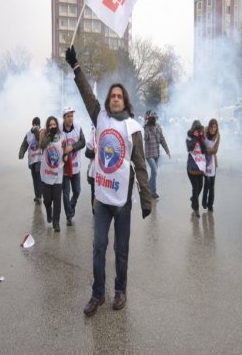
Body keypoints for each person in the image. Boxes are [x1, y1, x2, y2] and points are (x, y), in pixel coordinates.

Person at [65, 45, 151, 317]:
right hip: (102, 198)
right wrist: (75, 66)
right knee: (98, 246)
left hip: (122, 200)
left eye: (119, 96)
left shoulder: (133, 128)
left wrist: (146, 199)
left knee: (121, 249)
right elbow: (86, 93)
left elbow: (140, 163)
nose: (114, 99)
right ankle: (97, 295)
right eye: (112, 96)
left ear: (125, 101)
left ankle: (121, 290)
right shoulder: (99, 116)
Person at [61, 107, 86, 226]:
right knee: (65, 193)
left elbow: (83, 142)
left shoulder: (78, 127)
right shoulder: (59, 129)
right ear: (64, 117)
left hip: (75, 166)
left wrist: (72, 147)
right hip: (63, 167)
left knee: (77, 191)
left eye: (72, 116)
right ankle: (68, 216)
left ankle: (72, 205)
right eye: (68, 116)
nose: (70, 118)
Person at [39, 116, 64, 232]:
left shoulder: (62, 137)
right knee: (47, 200)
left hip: (57, 173)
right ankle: (49, 211)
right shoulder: (45, 136)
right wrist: (50, 135)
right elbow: (42, 145)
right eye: (50, 125)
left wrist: (66, 156)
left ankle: (56, 222)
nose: (53, 126)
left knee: (57, 199)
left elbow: (64, 151)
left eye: (54, 125)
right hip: (46, 173)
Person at [143, 110, 171, 199]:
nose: (153, 120)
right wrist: (146, 125)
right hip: (149, 154)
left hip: (157, 154)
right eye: (151, 118)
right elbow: (145, 138)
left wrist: (167, 150)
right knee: (154, 171)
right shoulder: (146, 128)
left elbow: (162, 139)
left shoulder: (158, 127)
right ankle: (153, 192)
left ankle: (146, 188)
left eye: (154, 118)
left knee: (153, 173)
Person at [19, 117, 43, 204]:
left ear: (39, 125)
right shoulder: (28, 134)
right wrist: (21, 153)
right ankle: (37, 195)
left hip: (40, 160)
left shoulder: (41, 132)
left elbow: (39, 139)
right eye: (34, 124)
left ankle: (39, 196)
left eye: (37, 124)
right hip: (32, 160)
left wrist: (36, 130)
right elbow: (24, 145)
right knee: (35, 178)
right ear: (32, 124)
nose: (35, 126)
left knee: (39, 177)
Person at [186, 120, 207, 217]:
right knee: (195, 188)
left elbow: (204, 150)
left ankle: (193, 200)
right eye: (197, 129)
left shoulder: (202, 138)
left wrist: (201, 139)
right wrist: (195, 137)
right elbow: (189, 148)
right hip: (192, 167)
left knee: (200, 187)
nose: (198, 131)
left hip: (200, 167)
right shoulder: (189, 136)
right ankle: (196, 209)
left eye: (200, 130)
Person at [202, 118, 220, 212]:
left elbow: (216, 150)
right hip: (205, 162)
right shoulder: (204, 133)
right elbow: (201, 146)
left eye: (215, 127)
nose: (213, 129)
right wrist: (206, 151)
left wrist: (207, 151)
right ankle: (204, 201)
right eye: (212, 127)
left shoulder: (218, 135)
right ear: (209, 127)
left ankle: (210, 205)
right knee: (207, 183)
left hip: (213, 163)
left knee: (212, 185)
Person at [85, 125, 96, 215]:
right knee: (94, 191)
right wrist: (94, 152)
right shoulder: (93, 133)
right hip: (94, 170)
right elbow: (87, 153)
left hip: (107, 173)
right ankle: (94, 211)